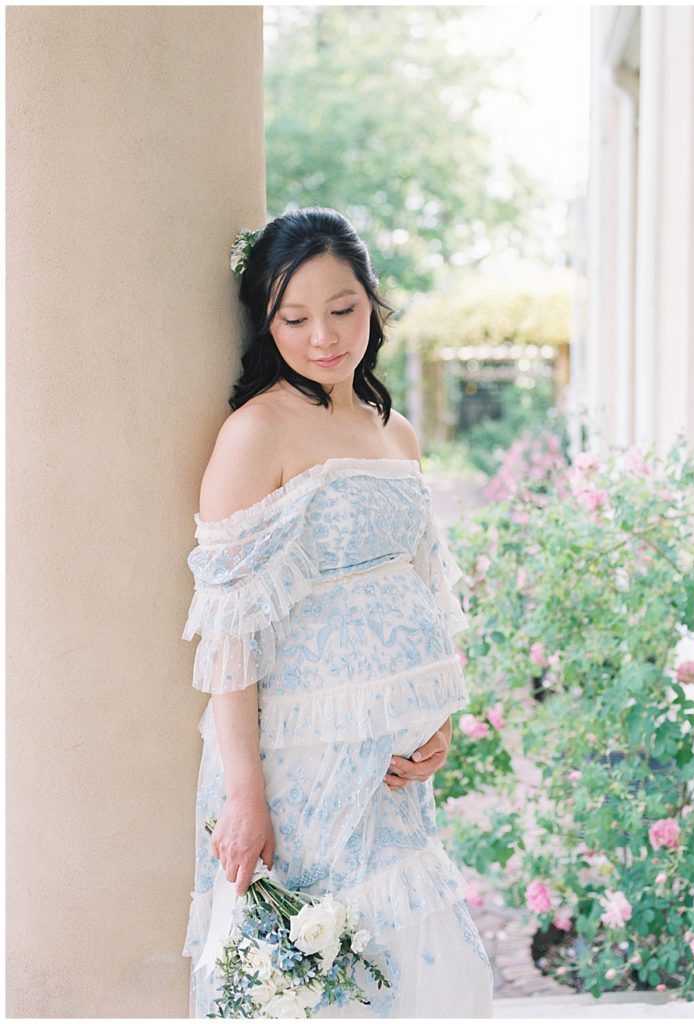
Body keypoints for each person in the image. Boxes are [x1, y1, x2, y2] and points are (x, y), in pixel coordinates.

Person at [181, 207, 494, 1017]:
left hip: (393, 775)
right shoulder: (255, 435)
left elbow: (419, 594)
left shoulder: (397, 433)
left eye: (343, 309)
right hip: (301, 767)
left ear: (372, 307)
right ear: (267, 322)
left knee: (402, 966)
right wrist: (244, 792)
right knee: (313, 972)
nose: (323, 336)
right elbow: (228, 632)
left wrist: (435, 723)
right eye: (295, 317)